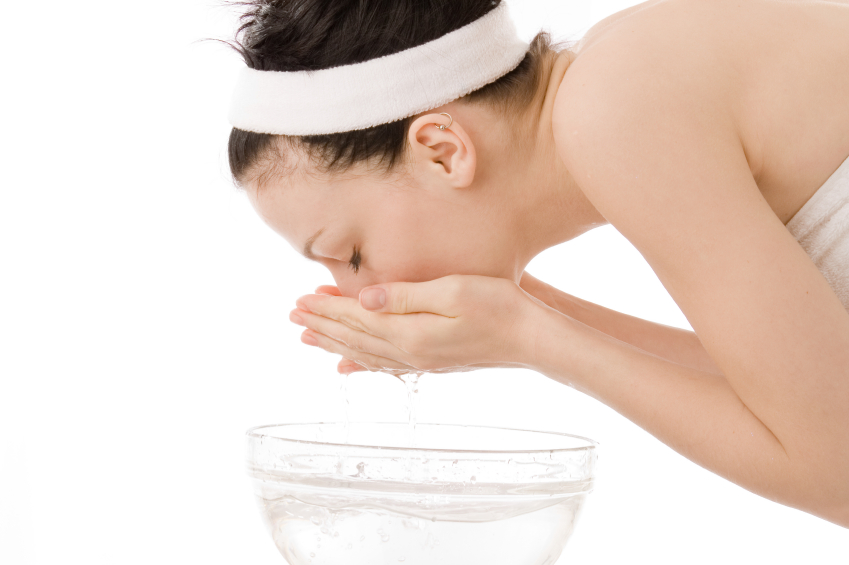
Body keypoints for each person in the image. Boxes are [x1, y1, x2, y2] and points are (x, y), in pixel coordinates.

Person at [224, 0, 849, 526]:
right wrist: (528, 313)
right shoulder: (621, 73)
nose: (358, 292)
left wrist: (530, 337)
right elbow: (805, 393)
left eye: (351, 254)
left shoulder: (618, 109)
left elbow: (837, 470)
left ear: (442, 151)